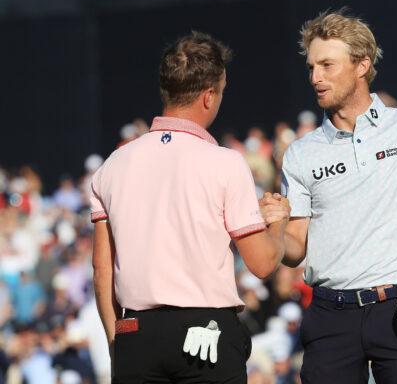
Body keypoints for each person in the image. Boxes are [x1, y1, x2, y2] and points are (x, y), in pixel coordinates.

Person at [260, 10, 397, 384]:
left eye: (327, 65)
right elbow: (295, 247)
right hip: (329, 315)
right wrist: (275, 230)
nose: (316, 77)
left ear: (362, 65)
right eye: (312, 67)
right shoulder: (300, 153)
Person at [91, 31, 288, 383]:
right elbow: (262, 263)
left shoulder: (112, 166)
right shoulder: (225, 162)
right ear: (209, 96)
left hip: (135, 333)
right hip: (206, 333)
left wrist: (116, 343)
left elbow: (102, 271)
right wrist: (278, 224)